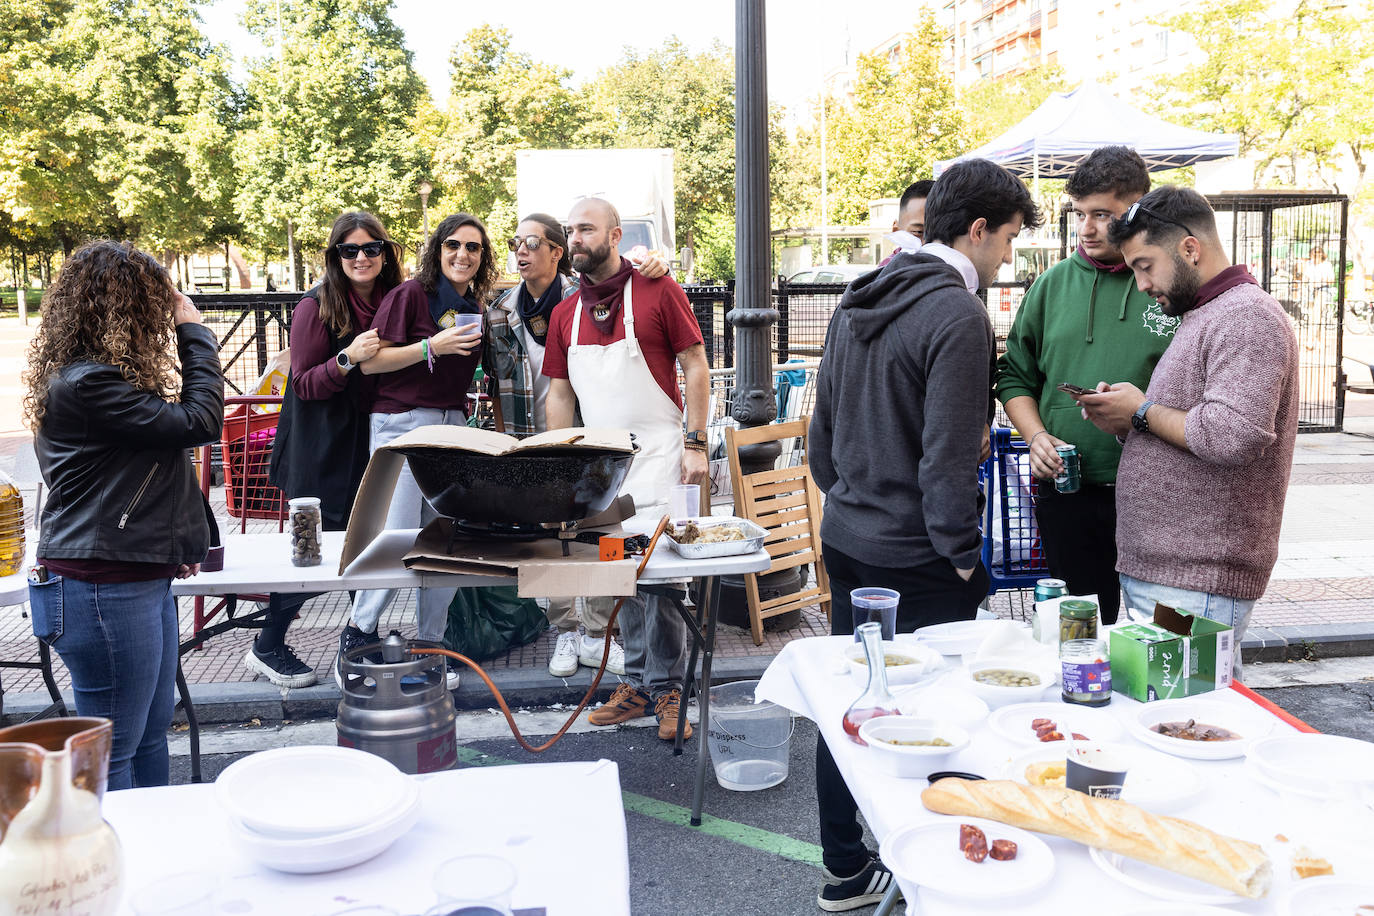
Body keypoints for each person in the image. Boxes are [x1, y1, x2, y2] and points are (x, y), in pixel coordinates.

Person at [807, 158, 1041, 911]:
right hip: (920, 554)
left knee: (856, 707)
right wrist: (966, 562)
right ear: (976, 230)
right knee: (939, 724)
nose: (1007, 258)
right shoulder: (957, 313)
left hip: (850, 536)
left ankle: (846, 871)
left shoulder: (858, 296)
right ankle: (933, 876)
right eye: (1006, 240)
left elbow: (821, 435)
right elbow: (947, 463)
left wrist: (851, 500)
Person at [24, 241, 223, 789]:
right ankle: (114, 871)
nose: (164, 313)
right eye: (153, 302)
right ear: (123, 307)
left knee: (150, 735)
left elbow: (144, 476)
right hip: (100, 586)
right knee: (113, 752)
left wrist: (172, 548)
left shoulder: (99, 379)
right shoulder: (88, 384)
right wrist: (195, 334)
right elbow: (200, 421)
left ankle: (155, 860)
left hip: (127, 577)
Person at [1078, 186, 1298, 680]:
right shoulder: (1208, 313)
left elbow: (1232, 434)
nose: (1140, 284)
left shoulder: (1247, 316)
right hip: (1173, 576)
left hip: (1197, 581)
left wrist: (1141, 411)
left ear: (1189, 249)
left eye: (1144, 265)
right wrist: (1129, 418)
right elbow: (1189, 424)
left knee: (1187, 724)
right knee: (1169, 719)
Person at [543, 197, 710, 741]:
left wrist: (697, 442)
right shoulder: (566, 315)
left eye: (585, 230)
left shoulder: (661, 291)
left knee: (662, 579)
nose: (575, 239)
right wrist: (558, 464)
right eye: (571, 231)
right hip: (602, 473)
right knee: (622, 574)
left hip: (663, 462)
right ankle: (638, 683)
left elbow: (696, 365)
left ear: (615, 235)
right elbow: (560, 396)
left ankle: (669, 690)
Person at [996, 146, 1177, 624]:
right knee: (1078, 630)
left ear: (1140, 209)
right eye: (1080, 214)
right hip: (1065, 490)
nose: (1088, 228)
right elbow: (1015, 376)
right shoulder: (1051, 285)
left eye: (1103, 214)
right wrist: (1035, 437)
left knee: (1154, 630)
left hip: (1154, 492)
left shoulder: (1169, 285)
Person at [335, 214, 492, 689]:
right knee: (396, 536)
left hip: (452, 424)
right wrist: (432, 347)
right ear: (437, 249)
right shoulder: (409, 295)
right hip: (403, 423)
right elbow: (372, 363)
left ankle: (432, 646)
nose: (462, 254)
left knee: (447, 541)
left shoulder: (473, 305)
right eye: (453, 245)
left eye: (473, 247)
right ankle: (359, 633)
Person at [253, 212, 393, 687]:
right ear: (335, 256)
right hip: (317, 445)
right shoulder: (316, 307)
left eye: (370, 248)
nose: (360, 258)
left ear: (384, 252)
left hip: (364, 441)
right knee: (312, 548)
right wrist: (347, 358)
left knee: (361, 544)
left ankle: (360, 640)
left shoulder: (392, 301)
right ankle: (268, 644)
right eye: (349, 250)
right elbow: (305, 384)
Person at [879, 179, 934, 266]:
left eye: (941, 235)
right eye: (919, 232)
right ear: (896, 230)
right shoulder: (886, 272)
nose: (929, 243)